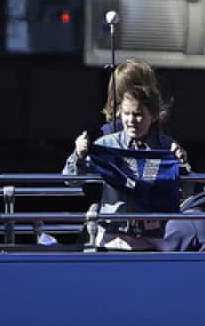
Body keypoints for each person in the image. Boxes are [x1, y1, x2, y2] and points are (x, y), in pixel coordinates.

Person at [65, 85, 188, 246]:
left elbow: (185, 188)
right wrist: (78, 155)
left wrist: (182, 162)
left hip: (155, 240)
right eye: (126, 114)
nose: (131, 120)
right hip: (113, 238)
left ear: (154, 116)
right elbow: (71, 180)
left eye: (138, 115)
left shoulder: (166, 147)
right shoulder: (106, 145)